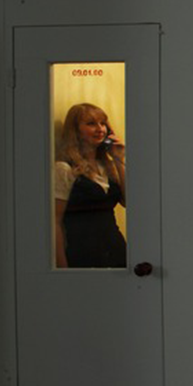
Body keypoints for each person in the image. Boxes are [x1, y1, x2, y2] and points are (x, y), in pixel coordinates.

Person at [54, 103, 127, 268]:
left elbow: (128, 202)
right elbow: (55, 221)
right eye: (91, 123)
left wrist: (118, 159)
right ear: (75, 130)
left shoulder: (107, 166)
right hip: (83, 253)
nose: (100, 129)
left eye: (103, 123)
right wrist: (61, 268)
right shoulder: (64, 168)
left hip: (116, 250)